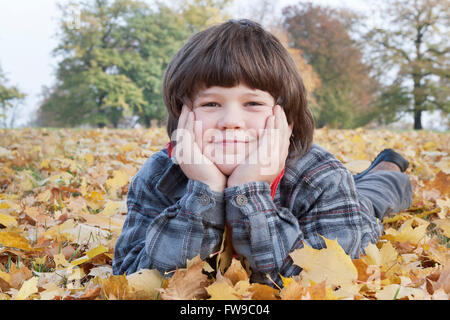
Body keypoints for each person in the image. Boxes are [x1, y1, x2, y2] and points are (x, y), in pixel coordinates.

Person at [112, 19, 413, 286]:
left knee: (373, 197)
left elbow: (313, 283)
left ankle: (387, 170)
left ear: (287, 120)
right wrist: (204, 193)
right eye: (210, 104)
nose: (230, 121)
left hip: (350, 207)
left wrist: (247, 192)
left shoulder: (322, 177)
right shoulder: (158, 175)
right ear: (182, 118)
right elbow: (133, 279)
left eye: (253, 104)